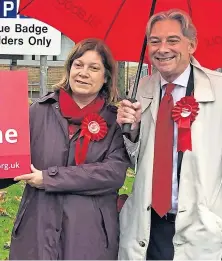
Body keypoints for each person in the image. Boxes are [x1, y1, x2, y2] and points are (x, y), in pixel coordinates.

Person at [0, 38, 129, 260]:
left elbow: (113, 174)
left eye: (94, 68)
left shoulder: (116, 121)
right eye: (78, 65)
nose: (83, 73)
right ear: (69, 68)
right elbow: (11, 165)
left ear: (106, 77)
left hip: (90, 238)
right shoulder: (38, 111)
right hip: (36, 234)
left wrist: (48, 178)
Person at [117, 9, 222, 260]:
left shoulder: (218, 89)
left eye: (172, 40)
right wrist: (130, 131)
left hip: (202, 227)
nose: (162, 48)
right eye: (154, 41)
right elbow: (135, 162)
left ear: (191, 45)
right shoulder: (140, 90)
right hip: (148, 226)